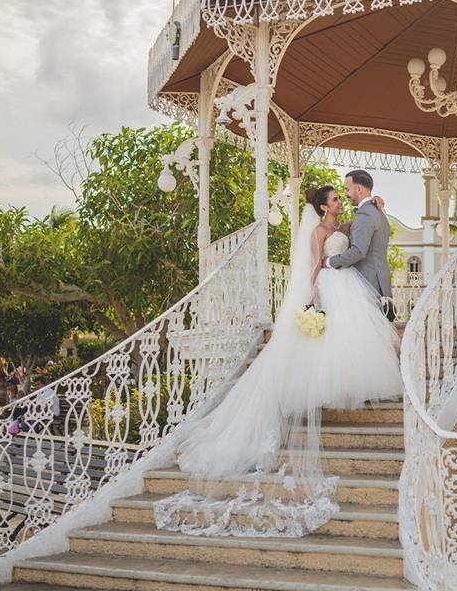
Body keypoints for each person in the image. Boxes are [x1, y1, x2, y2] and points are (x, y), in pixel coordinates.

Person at [153, 184, 402, 538]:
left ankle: (341, 383)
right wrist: (314, 297)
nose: (339, 201)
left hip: (348, 284)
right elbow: (315, 265)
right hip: (329, 286)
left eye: (340, 196)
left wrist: (378, 204)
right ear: (321, 207)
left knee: (350, 338)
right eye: (334, 198)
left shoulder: (342, 227)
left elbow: (360, 237)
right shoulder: (318, 231)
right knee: (329, 341)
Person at [324, 170, 396, 322]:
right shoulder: (378, 211)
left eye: (347, 189)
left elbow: (358, 251)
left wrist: (329, 262)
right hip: (379, 280)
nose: (345, 194)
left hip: (368, 283)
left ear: (359, 189)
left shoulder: (365, 215)